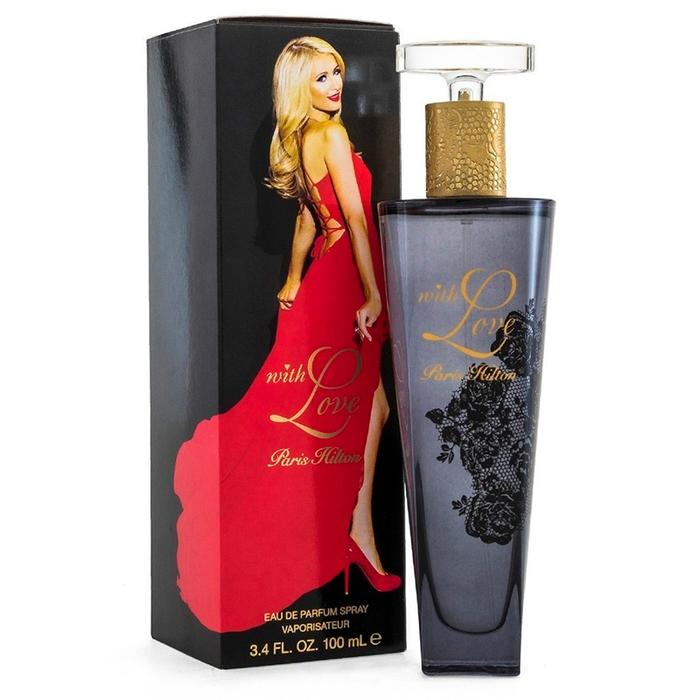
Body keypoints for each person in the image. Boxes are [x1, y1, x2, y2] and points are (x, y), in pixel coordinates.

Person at [173, 36, 400, 634]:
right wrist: (373, 293)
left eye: (337, 72)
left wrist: (296, 277)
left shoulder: (302, 136)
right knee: (364, 406)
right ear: (300, 85)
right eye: (322, 77)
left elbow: (307, 216)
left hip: (324, 270)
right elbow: (354, 218)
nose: (335, 84)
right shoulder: (332, 135)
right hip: (348, 275)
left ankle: (354, 532)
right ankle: (355, 534)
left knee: (369, 406)